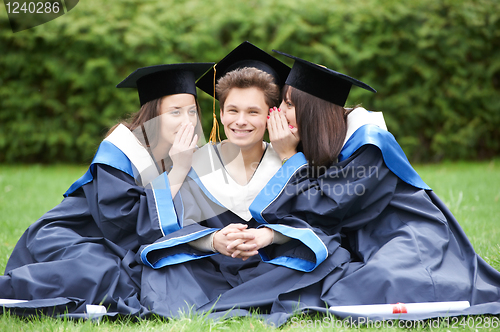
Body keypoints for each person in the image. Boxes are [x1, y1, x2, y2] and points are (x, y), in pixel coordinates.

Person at [255, 50, 500, 322]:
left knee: (383, 282)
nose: (279, 114)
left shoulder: (368, 144)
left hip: (407, 233)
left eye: (289, 105)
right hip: (365, 240)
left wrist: (289, 157)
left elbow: (325, 208)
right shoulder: (319, 142)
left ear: (313, 110)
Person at [138, 42, 347, 324]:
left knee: (332, 258)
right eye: (232, 111)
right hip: (208, 268)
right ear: (220, 113)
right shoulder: (195, 161)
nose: (240, 121)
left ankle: (227, 303)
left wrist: (269, 236)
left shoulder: (290, 162)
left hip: (269, 266)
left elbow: (316, 224)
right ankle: (252, 301)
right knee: (163, 268)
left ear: (272, 115)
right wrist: (212, 240)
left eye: (253, 112)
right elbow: (159, 230)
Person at [0, 62, 214, 317]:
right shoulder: (120, 151)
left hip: (107, 245)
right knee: (108, 272)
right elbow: (123, 224)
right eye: (175, 112)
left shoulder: (183, 155)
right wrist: (177, 171)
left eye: (192, 111)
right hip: (67, 237)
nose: (187, 121)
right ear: (153, 116)